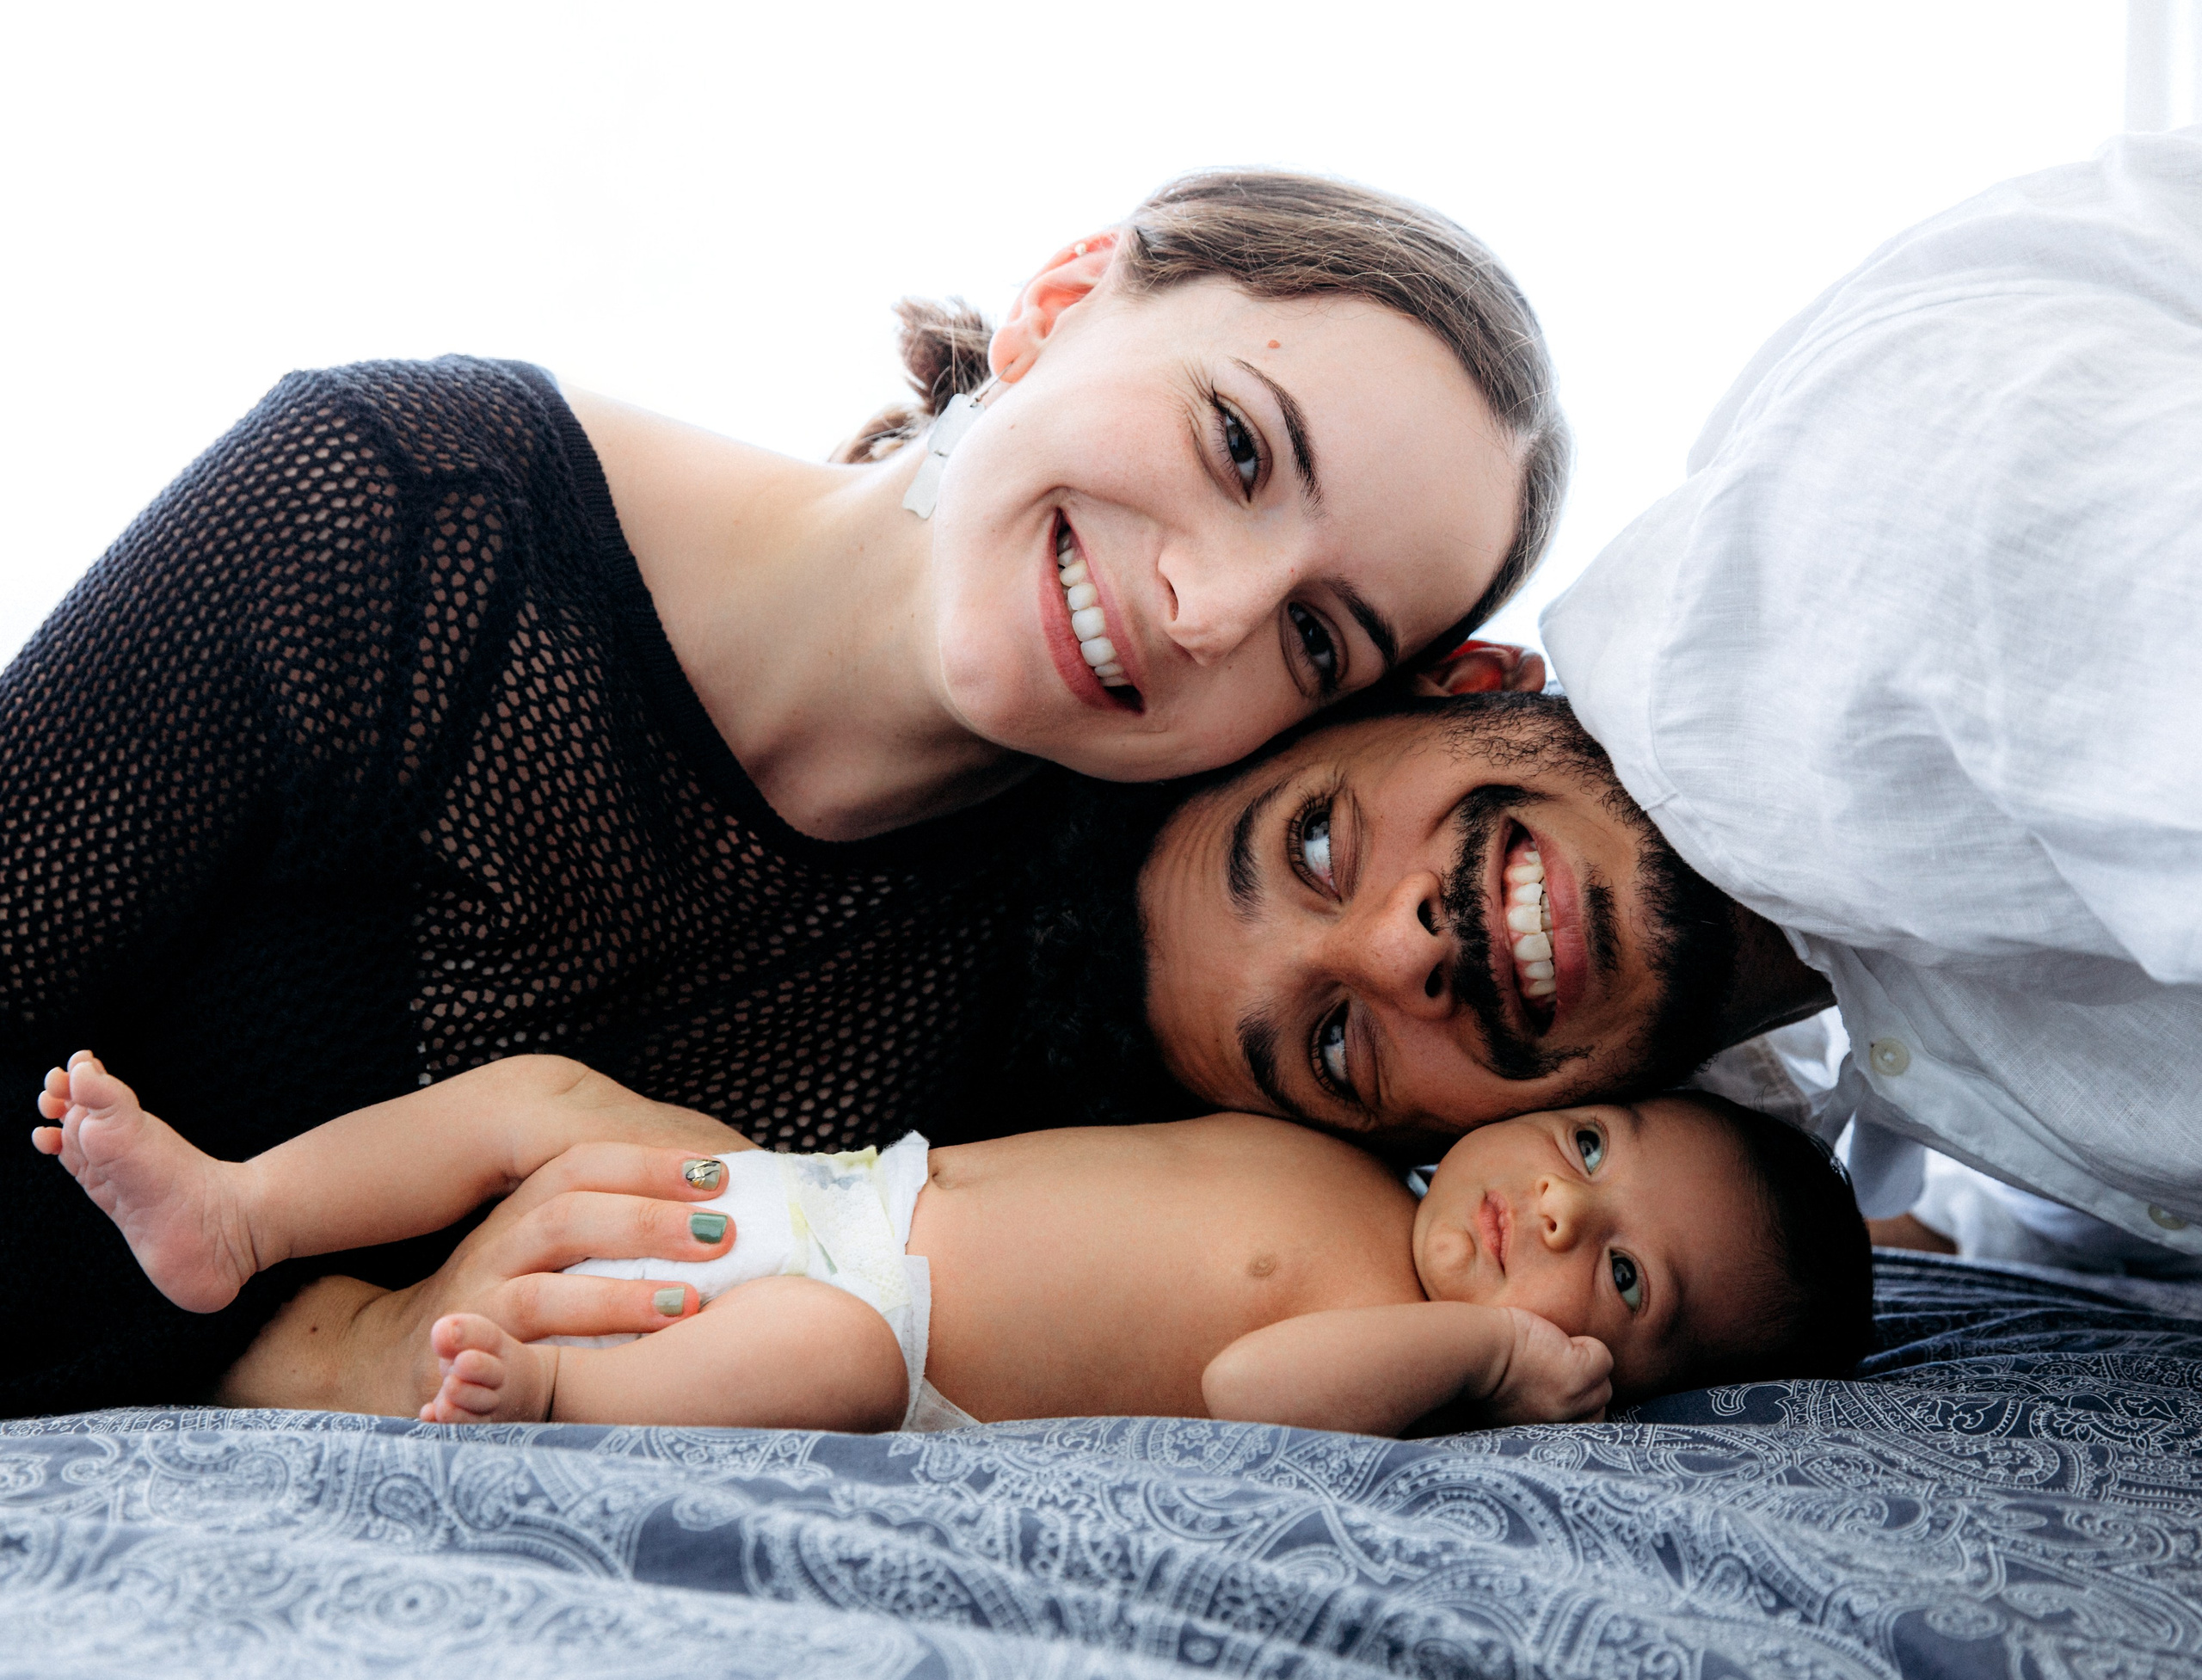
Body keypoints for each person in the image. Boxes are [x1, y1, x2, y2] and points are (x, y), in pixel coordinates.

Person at [0, 169, 1568, 1418]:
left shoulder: (1075, 980)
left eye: (1314, 636)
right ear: (1063, 300)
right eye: (1236, 441)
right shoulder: (398, 510)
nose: (1208, 609)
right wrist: (332, 1356)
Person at [1535, 128, 2202, 1261]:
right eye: (1336, 1045)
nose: (1395, 948)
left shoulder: (1794, 587)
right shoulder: (1847, 980)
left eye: (1315, 844)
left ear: (1444, 682)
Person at [33, 1050, 1872, 1432]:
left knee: (821, 1366)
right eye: (1585, 1139)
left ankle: (552, 1390)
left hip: (884, 1342)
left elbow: (1248, 1385)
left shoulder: (1401, 1334)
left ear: (1607, 1363)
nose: (1552, 1204)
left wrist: (1490, 1359)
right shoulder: (1357, 1154)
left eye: (1614, 1273)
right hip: (824, 1182)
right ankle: (239, 1205)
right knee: (557, 1098)